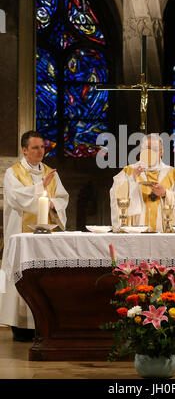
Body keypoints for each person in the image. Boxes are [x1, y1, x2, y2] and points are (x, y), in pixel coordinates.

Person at [0, 130, 69, 341]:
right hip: (20, 236)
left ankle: (43, 323)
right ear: (24, 150)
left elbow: (62, 198)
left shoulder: (51, 172)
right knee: (19, 275)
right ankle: (20, 326)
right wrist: (41, 188)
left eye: (43, 147)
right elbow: (14, 198)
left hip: (45, 238)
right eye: (35, 147)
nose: (41, 151)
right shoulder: (13, 172)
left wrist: (53, 205)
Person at [110, 133, 175, 232]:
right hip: (135, 234)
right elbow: (116, 195)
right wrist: (133, 178)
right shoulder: (128, 171)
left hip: (163, 234)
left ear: (161, 152)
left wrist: (165, 194)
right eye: (146, 149)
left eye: (154, 149)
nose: (149, 152)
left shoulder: (174, 175)